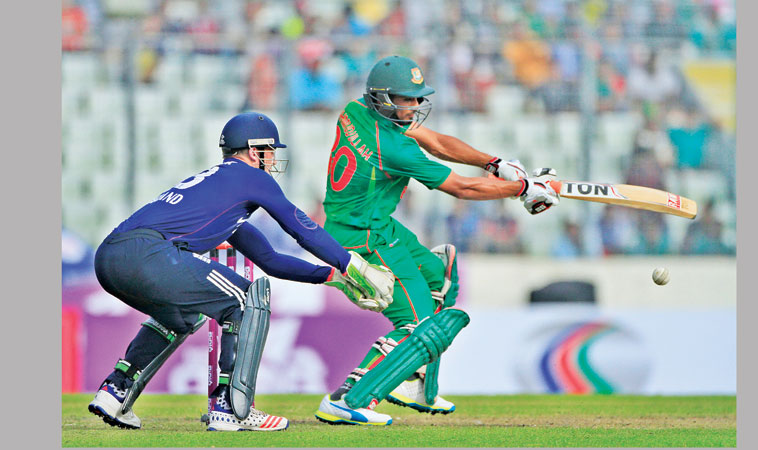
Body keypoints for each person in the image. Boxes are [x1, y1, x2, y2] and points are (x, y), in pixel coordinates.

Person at [88, 112, 395, 431]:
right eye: (270, 150)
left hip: (111, 256)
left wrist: (333, 278)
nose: (274, 158)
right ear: (254, 151)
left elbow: (270, 259)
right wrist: (354, 265)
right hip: (150, 253)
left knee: (179, 317)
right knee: (249, 299)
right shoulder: (251, 177)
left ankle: (116, 389)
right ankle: (233, 405)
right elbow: (303, 228)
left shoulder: (220, 193)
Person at [314, 55, 560, 426]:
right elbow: (460, 189)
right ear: (382, 98)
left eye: (416, 98)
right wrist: (522, 189)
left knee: (439, 277)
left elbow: (435, 140)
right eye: (405, 99)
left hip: (374, 225)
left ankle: (414, 383)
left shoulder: (356, 110)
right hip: (364, 238)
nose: (413, 106)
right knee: (418, 325)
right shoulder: (392, 148)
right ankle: (348, 397)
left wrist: (494, 163)